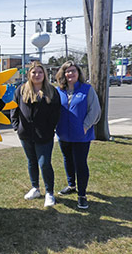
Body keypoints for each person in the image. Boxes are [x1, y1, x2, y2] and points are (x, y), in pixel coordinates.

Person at [11, 61, 60, 207]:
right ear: (29, 74)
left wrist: (50, 128)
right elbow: (14, 108)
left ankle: (49, 192)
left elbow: (56, 112)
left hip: (44, 135)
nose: (37, 75)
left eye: (40, 72)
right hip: (25, 134)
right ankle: (35, 188)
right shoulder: (21, 89)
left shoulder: (51, 91)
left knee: (44, 163)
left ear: (44, 74)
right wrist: (16, 126)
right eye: (34, 72)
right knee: (31, 162)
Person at [55, 60, 101, 209]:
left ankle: (82, 194)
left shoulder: (87, 89)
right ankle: (71, 185)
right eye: (67, 71)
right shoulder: (59, 91)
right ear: (63, 74)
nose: (70, 73)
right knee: (67, 160)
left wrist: (86, 126)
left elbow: (94, 110)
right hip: (64, 134)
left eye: (73, 71)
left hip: (81, 135)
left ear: (78, 73)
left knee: (80, 164)